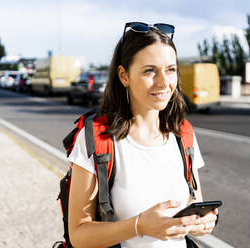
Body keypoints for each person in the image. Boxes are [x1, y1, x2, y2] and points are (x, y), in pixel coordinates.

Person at [67, 22, 218, 248]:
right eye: (150, 70)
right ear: (124, 75)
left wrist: (203, 221)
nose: (164, 82)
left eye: (170, 69)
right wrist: (139, 226)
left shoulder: (183, 133)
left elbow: (193, 201)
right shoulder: (98, 140)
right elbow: (78, 234)